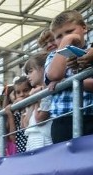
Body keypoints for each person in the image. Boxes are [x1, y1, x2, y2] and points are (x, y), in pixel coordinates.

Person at [44, 10, 93, 144]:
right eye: (59, 36)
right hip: (63, 121)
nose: (65, 37)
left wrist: (68, 83)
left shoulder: (91, 51)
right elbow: (54, 75)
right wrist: (66, 41)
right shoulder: (54, 56)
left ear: (84, 28)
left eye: (70, 31)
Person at [23, 52, 53, 151]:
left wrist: (36, 99)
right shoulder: (35, 93)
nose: (28, 76)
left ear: (42, 69)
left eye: (30, 71)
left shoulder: (49, 89)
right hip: (31, 140)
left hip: (44, 140)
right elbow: (25, 124)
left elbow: (39, 118)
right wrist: (33, 100)